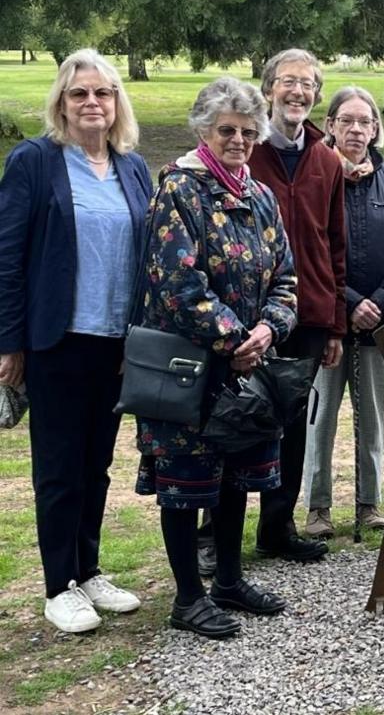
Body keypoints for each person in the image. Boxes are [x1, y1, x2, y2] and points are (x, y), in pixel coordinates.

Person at [134, 77, 298, 638]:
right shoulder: (178, 189)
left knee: (235, 478)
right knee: (186, 483)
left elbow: (286, 277)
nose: (238, 140)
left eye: (249, 132)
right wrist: (236, 341)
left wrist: (267, 332)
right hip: (191, 368)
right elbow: (176, 284)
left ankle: (228, 581)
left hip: (248, 365)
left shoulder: (260, 195)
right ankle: (187, 597)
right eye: (227, 130)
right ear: (203, 129)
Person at [0, 50, 150, 633]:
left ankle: (88, 571)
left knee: (98, 464)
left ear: (117, 103)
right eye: (79, 93)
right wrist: (9, 343)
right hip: (56, 341)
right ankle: (58, 584)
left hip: (117, 344)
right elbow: (8, 258)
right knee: (59, 467)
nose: (93, 103)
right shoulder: (35, 162)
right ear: (61, 102)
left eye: (103, 93)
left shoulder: (132, 167)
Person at [243, 48, 347, 563]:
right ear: (268, 90)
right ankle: (214, 530)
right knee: (236, 417)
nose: (298, 93)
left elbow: (335, 242)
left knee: (291, 420)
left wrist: (333, 325)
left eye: (307, 85)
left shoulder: (326, 160)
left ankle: (277, 525)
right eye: (288, 82)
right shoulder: (245, 149)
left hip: (307, 313)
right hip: (246, 314)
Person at [302, 86, 384, 538]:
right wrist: (350, 302)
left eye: (365, 122)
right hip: (329, 321)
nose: (356, 129)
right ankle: (317, 508)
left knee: (372, 417)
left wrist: (379, 301)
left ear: (375, 129)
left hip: (380, 322)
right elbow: (312, 249)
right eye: (347, 121)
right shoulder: (317, 177)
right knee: (319, 419)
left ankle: (369, 503)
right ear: (331, 126)